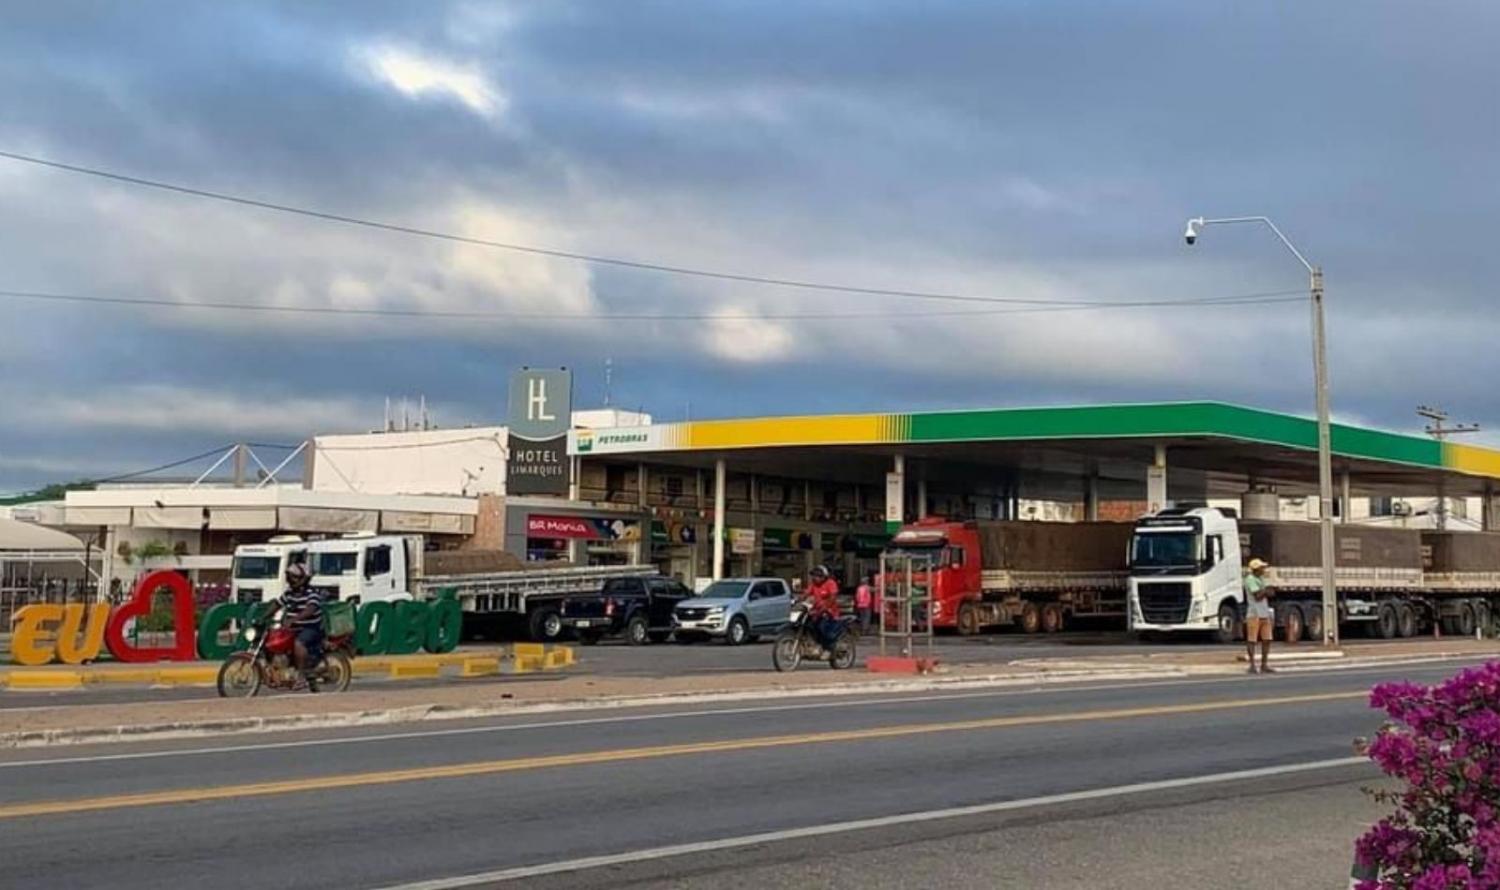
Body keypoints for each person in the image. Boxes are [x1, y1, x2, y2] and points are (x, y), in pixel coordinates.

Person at [277, 561, 325, 689]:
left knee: (299, 643)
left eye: (294, 577)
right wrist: (262, 616)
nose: (290, 580)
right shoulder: (290, 593)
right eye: (289, 577)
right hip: (295, 628)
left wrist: (293, 619)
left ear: (303, 579)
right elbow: (277, 604)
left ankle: (301, 677)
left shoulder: (312, 593)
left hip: (311, 628)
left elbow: (310, 609)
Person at [1243, 558, 1275, 675]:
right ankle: (1252, 665)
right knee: (1252, 640)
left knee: (1267, 639)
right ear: (1256, 569)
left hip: (1264, 612)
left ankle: (1264, 664)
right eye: (1262, 568)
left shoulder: (1261, 579)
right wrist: (1266, 591)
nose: (1263, 570)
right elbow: (1257, 595)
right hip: (1254, 613)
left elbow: (1268, 593)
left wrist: (1266, 591)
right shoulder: (1250, 579)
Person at [805, 565, 842, 649]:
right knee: (808, 624)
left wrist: (826, 607)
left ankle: (829, 647)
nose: (815, 578)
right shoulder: (813, 584)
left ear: (824, 577)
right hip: (817, 612)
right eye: (814, 575)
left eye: (818, 576)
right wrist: (797, 599)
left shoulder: (831, 583)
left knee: (823, 627)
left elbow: (833, 597)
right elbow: (806, 593)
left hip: (830, 612)